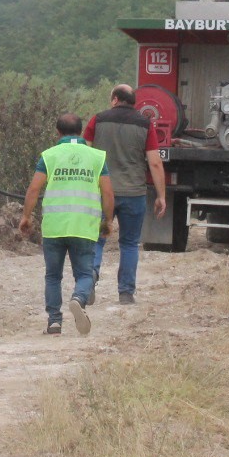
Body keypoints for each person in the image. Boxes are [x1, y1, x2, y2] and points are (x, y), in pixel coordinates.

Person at [19, 113, 114, 336]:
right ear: (81, 132)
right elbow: (108, 192)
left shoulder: (50, 156)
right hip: (84, 226)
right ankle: (79, 299)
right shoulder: (96, 157)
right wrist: (107, 220)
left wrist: (26, 216)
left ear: (58, 132)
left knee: (53, 275)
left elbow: (34, 189)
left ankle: (54, 322)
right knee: (85, 273)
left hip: (54, 226)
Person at [85, 84, 167, 304]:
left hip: (102, 193)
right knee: (129, 244)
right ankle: (126, 293)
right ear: (133, 102)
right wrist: (161, 195)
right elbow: (155, 163)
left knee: (97, 239)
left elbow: (85, 153)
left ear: (114, 99)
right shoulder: (144, 124)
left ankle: (89, 279)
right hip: (134, 193)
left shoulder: (97, 120)